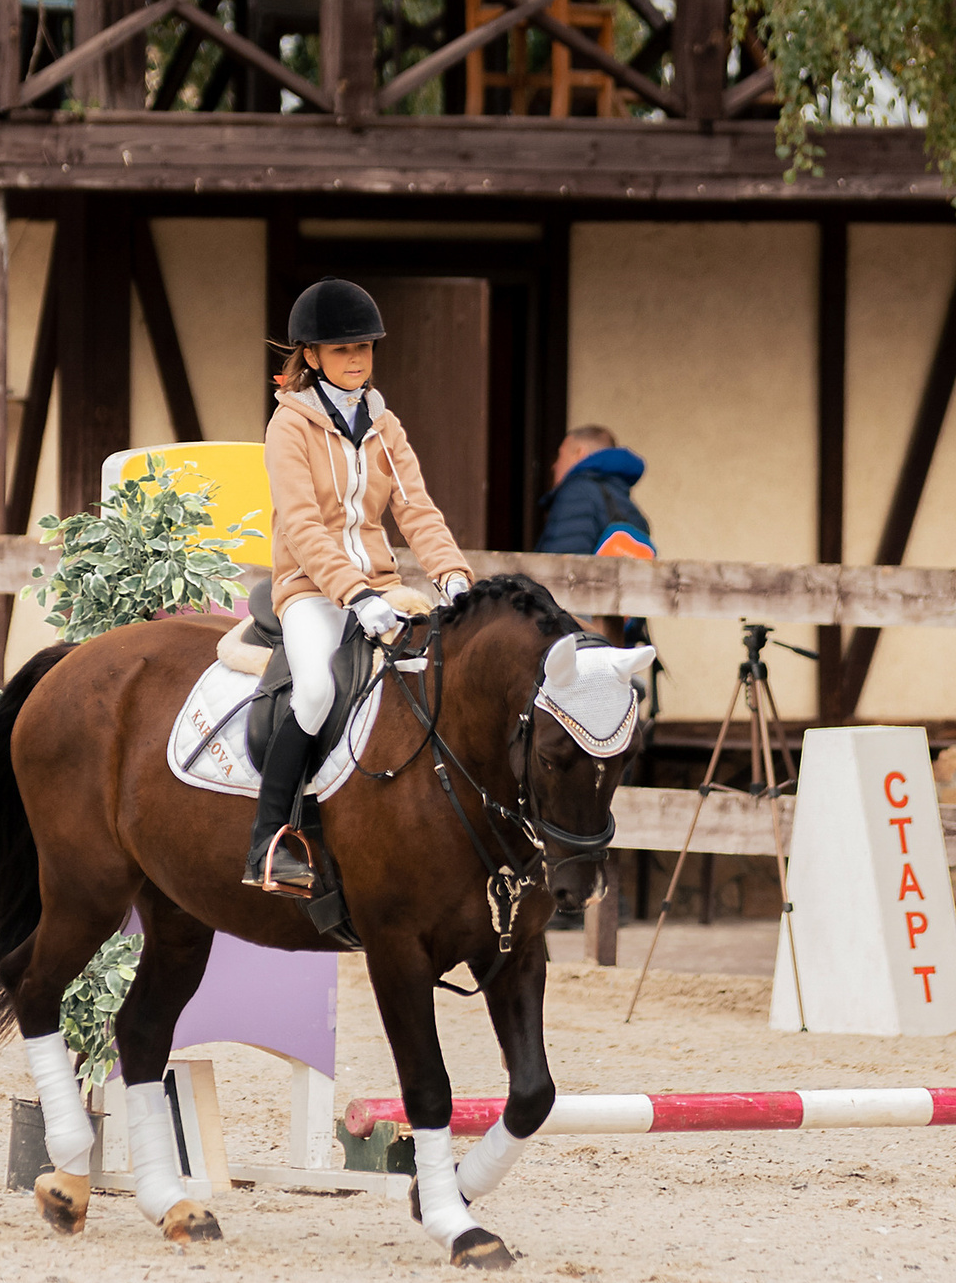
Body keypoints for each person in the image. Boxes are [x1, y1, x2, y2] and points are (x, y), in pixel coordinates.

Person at [248, 277, 477, 895]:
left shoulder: (385, 426)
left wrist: (453, 576)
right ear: (312, 356)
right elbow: (300, 525)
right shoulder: (288, 427)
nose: (357, 359)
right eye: (343, 349)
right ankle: (271, 840)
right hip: (310, 592)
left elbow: (417, 510)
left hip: (382, 589)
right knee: (318, 690)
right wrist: (354, 595)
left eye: (365, 348)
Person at [534, 425, 653, 560]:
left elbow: (560, 564)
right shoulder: (626, 504)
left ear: (579, 453)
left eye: (560, 455)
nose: (554, 466)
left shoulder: (577, 492)